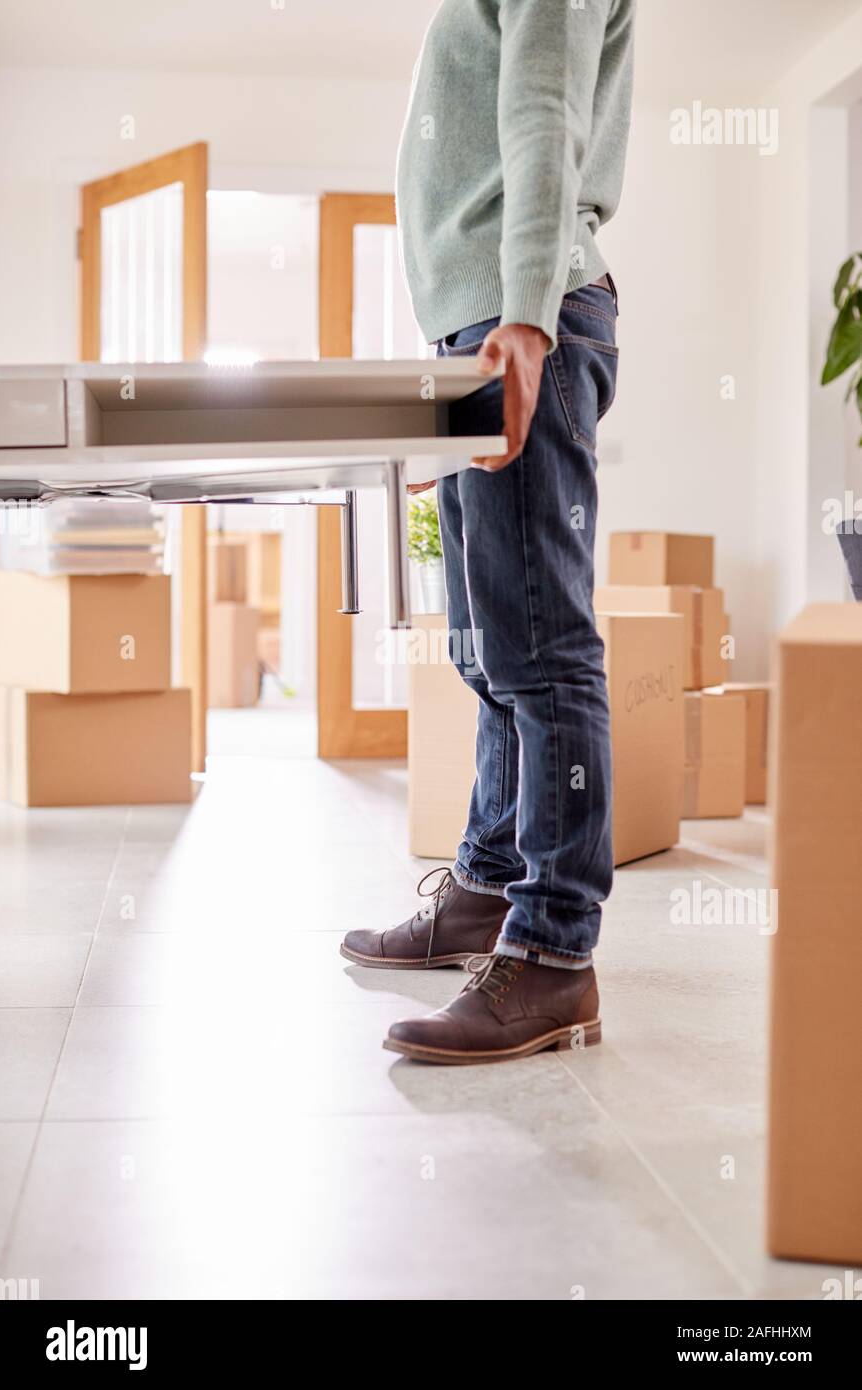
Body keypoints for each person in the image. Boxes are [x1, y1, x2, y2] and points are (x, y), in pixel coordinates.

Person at [342, 0, 635, 1064]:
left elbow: (542, 113)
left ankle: (554, 956)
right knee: (484, 639)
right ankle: (485, 886)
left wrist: (520, 315)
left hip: (526, 317)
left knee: (540, 649)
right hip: (481, 326)